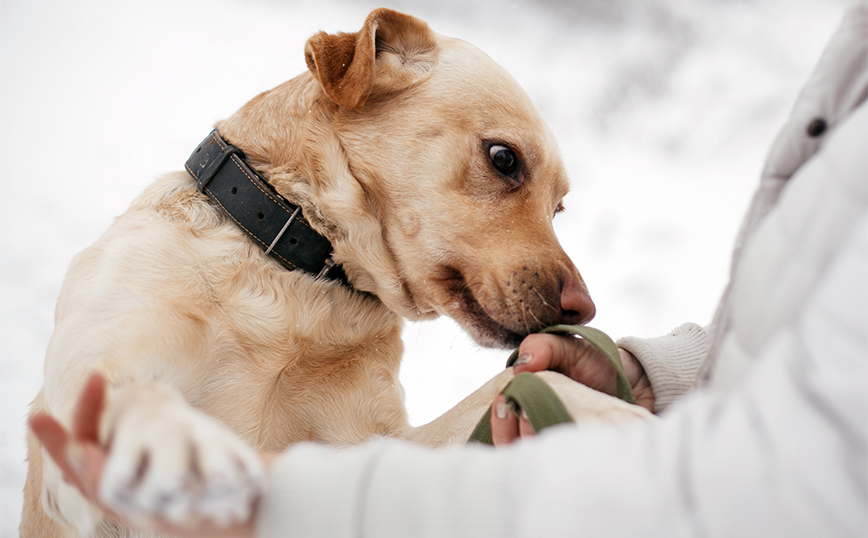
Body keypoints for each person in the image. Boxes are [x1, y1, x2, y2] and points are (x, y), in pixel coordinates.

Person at [30, 2, 867, 536]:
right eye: (505, 165)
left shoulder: (366, 325)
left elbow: (374, 506)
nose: (571, 294)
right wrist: (145, 434)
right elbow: (79, 435)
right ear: (368, 75)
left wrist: (592, 399)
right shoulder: (157, 253)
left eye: (550, 207)